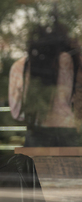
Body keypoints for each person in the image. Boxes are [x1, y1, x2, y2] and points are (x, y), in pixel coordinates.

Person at [9, 19, 80, 147]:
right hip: (70, 129)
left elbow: (16, 111)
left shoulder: (19, 66)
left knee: (35, 166)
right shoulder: (70, 60)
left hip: (37, 129)